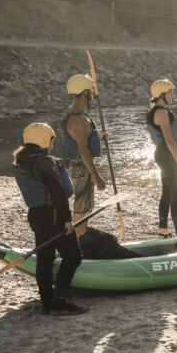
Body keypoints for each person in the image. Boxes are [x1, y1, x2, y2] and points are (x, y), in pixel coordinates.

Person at [12, 122, 87, 315]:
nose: (52, 144)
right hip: (53, 216)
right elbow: (58, 193)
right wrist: (67, 220)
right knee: (73, 256)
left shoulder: (22, 161)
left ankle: (47, 302)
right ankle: (60, 301)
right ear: (43, 140)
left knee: (45, 258)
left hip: (36, 216)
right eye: (51, 140)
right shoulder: (45, 161)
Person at [61, 74, 108, 238]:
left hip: (80, 166)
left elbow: (80, 140)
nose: (93, 92)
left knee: (85, 207)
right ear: (85, 92)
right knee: (82, 209)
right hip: (82, 168)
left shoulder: (75, 113)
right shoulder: (78, 118)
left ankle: (78, 241)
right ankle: (75, 244)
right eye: (90, 89)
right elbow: (82, 148)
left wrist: (98, 138)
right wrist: (96, 174)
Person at [147, 78, 177, 239]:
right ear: (161, 95)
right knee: (176, 193)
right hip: (167, 155)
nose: (173, 95)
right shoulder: (161, 113)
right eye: (171, 93)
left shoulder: (157, 111)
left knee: (167, 192)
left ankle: (163, 230)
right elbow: (170, 141)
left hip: (163, 155)